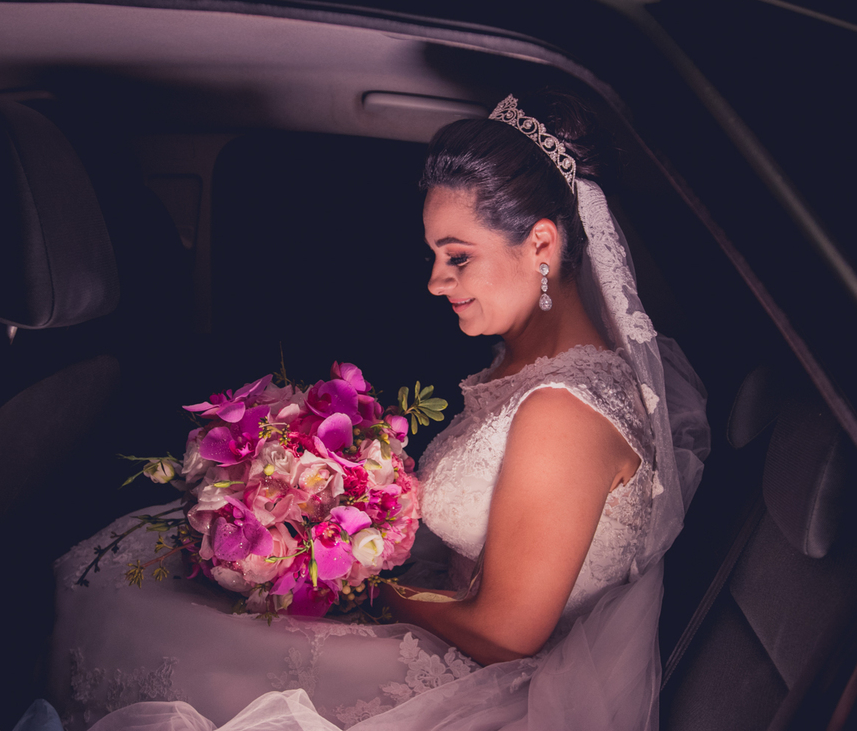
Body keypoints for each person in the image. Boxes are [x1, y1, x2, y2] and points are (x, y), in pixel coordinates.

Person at [46, 89, 710, 731]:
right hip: (446, 619)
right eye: (433, 255)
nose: (436, 282)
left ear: (541, 245)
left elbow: (506, 635)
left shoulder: (563, 411)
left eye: (458, 257)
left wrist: (371, 589)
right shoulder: (528, 367)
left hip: (492, 678)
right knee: (133, 577)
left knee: (148, 627)